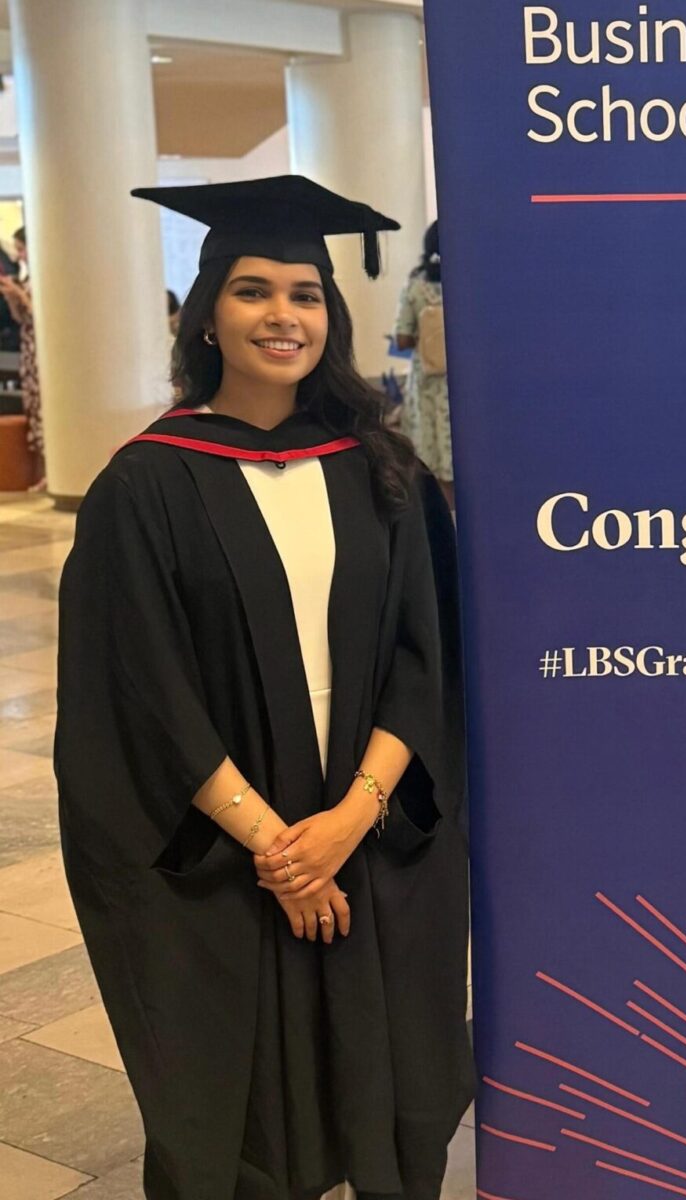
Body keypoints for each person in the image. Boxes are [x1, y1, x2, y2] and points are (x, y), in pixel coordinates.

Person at [55, 176, 472, 1200]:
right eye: (253, 291)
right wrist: (283, 853)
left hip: (367, 828)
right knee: (243, 1108)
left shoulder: (382, 471)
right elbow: (138, 694)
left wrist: (349, 823)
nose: (283, 316)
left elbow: (425, 659)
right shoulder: (145, 485)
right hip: (226, 848)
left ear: (329, 318)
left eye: (305, 294)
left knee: (385, 1077)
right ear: (208, 315)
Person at [394, 222, 453, 509]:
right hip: (465, 382)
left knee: (431, 450)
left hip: (428, 381)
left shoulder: (416, 286)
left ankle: (442, 514)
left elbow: (402, 339)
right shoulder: (471, 280)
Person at [0, 227, 45, 489]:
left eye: (21, 248)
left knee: (45, 405)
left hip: (43, 349)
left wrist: (19, 295)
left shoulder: (45, 276)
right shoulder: (27, 278)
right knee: (34, 406)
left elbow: (42, 315)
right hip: (28, 347)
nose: (19, 255)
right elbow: (22, 318)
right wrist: (12, 298)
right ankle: (44, 469)